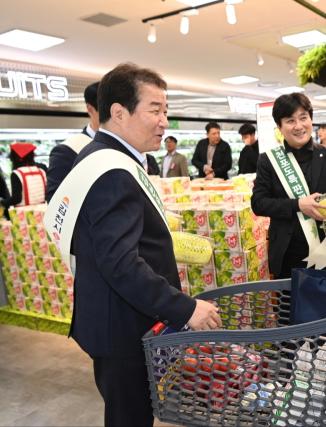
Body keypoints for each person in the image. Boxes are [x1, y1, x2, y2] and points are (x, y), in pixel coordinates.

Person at [66, 63, 221, 426]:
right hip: (122, 329)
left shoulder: (104, 157)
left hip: (116, 319)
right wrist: (184, 308)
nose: (164, 121)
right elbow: (119, 263)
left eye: (165, 110)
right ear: (118, 113)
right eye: (155, 110)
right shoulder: (113, 170)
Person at [251, 93, 326, 279]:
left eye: (303, 118)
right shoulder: (268, 161)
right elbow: (259, 203)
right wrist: (298, 205)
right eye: (290, 120)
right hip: (287, 255)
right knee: (289, 307)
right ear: (279, 127)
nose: (299, 126)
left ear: (311, 119)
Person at [45, 82, 100, 203]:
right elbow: (55, 202)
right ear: (90, 109)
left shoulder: (130, 147)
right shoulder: (67, 151)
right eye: (107, 110)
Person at [0, 143, 47, 210]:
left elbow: (16, 199)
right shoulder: (41, 171)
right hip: (42, 211)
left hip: (25, 214)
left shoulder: (17, 174)